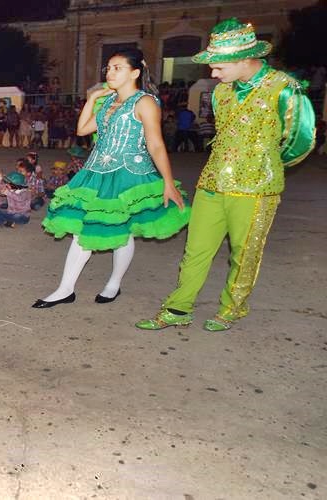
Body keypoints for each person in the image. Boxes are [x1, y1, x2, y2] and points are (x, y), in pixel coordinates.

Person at [136, 19, 316, 331]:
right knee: (196, 249)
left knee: (244, 253)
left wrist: (267, 165)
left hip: (256, 189)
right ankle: (178, 309)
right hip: (212, 182)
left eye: (218, 67)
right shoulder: (221, 93)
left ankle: (232, 308)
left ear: (244, 59)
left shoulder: (284, 89)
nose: (213, 74)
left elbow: (301, 139)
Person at [35, 48, 189, 309]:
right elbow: (83, 129)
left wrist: (167, 181)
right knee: (84, 230)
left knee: (123, 230)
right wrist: (93, 97)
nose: (110, 72)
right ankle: (65, 289)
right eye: (108, 67)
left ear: (135, 72)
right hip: (95, 172)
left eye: (118, 67)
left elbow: (156, 144)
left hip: (129, 175)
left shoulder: (145, 102)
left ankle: (114, 283)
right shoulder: (107, 102)